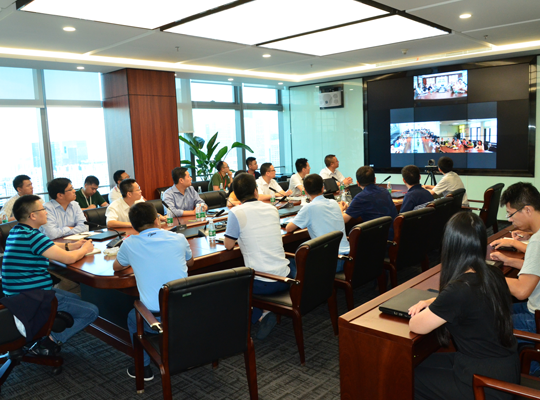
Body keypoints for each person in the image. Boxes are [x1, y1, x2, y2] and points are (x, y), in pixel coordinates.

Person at [409, 212, 518, 400]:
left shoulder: (459, 290)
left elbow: (416, 325)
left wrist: (434, 304)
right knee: (415, 362)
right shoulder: (493, 273)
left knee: (407, 376)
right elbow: (469, 301)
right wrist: (433, 301)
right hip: (504, 369)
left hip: (485, 384)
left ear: (450, 246)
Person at [2, 195, 98, 355]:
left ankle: (43, 331)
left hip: (17, 295)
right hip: (32, 298)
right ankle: (47, 342)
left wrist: (71, 245)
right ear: (33, 215)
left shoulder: (17, 231)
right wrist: (84, 249)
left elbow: (49, 245)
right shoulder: (33, 237)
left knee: (74, 298)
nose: (46, 212)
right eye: (43, 209)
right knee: (91, 311)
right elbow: (69, 259)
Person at [113, 202, 193, 381]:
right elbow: (191, 262)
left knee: (132, 317)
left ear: (133, 226)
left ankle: (143, 368)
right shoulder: (179, 238)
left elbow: (117, 267)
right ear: (157, 220)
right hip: (186, 310)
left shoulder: (129, 243)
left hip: (156, 320)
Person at [224, 173, 295, 339]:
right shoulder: (272, 209)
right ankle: (265, 311)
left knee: (232, 283)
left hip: (263, 284)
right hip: (286, 277)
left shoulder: (236, 212)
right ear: (256, 191)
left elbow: (228, 246)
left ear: (236, 195)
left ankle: (260, 314)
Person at [490, 183, 540, 372]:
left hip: (535, 317)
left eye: (511, 214)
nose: (510, 219)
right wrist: (509, 261)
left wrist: (484, 275)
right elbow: (535, 269)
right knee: (497, 310)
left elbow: (521, 290)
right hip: (534, 308)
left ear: (527, 209)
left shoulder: (537, 240)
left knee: (487, 323)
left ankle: (527, 374)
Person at [286, 174, 349, 272]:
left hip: (330, 262)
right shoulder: (334, 203)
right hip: (348, 258)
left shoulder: (308, 208)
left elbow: (289, 228)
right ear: (323, 188)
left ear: (305, 191)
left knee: (290, 261)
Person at [341, 166, 397, 239]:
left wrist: (340, 209)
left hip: (376, 240)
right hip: (392, 236)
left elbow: (343, 220)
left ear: (358, 183)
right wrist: (351, 208)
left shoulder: (360, 197)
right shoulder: (385, 191)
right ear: (375, 179)